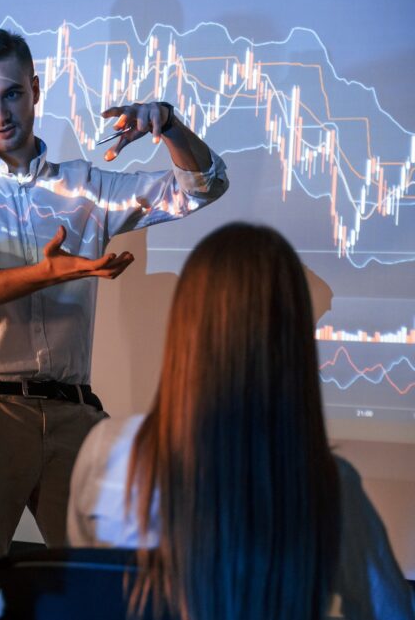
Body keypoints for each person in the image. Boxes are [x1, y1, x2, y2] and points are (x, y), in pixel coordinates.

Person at [0, 28, 228, 573]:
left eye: (10, 94)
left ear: (34, 88)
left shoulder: (83, 188)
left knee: (98, 591)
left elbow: (201, 188)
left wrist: (170, 126)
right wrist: (41, 275)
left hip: (71, 413)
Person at [67, 223, 415, 620]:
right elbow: (391, 611)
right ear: (291, 339)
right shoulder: (328, 483)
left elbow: (83, 591)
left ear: (185, 322)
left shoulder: (106, 450)